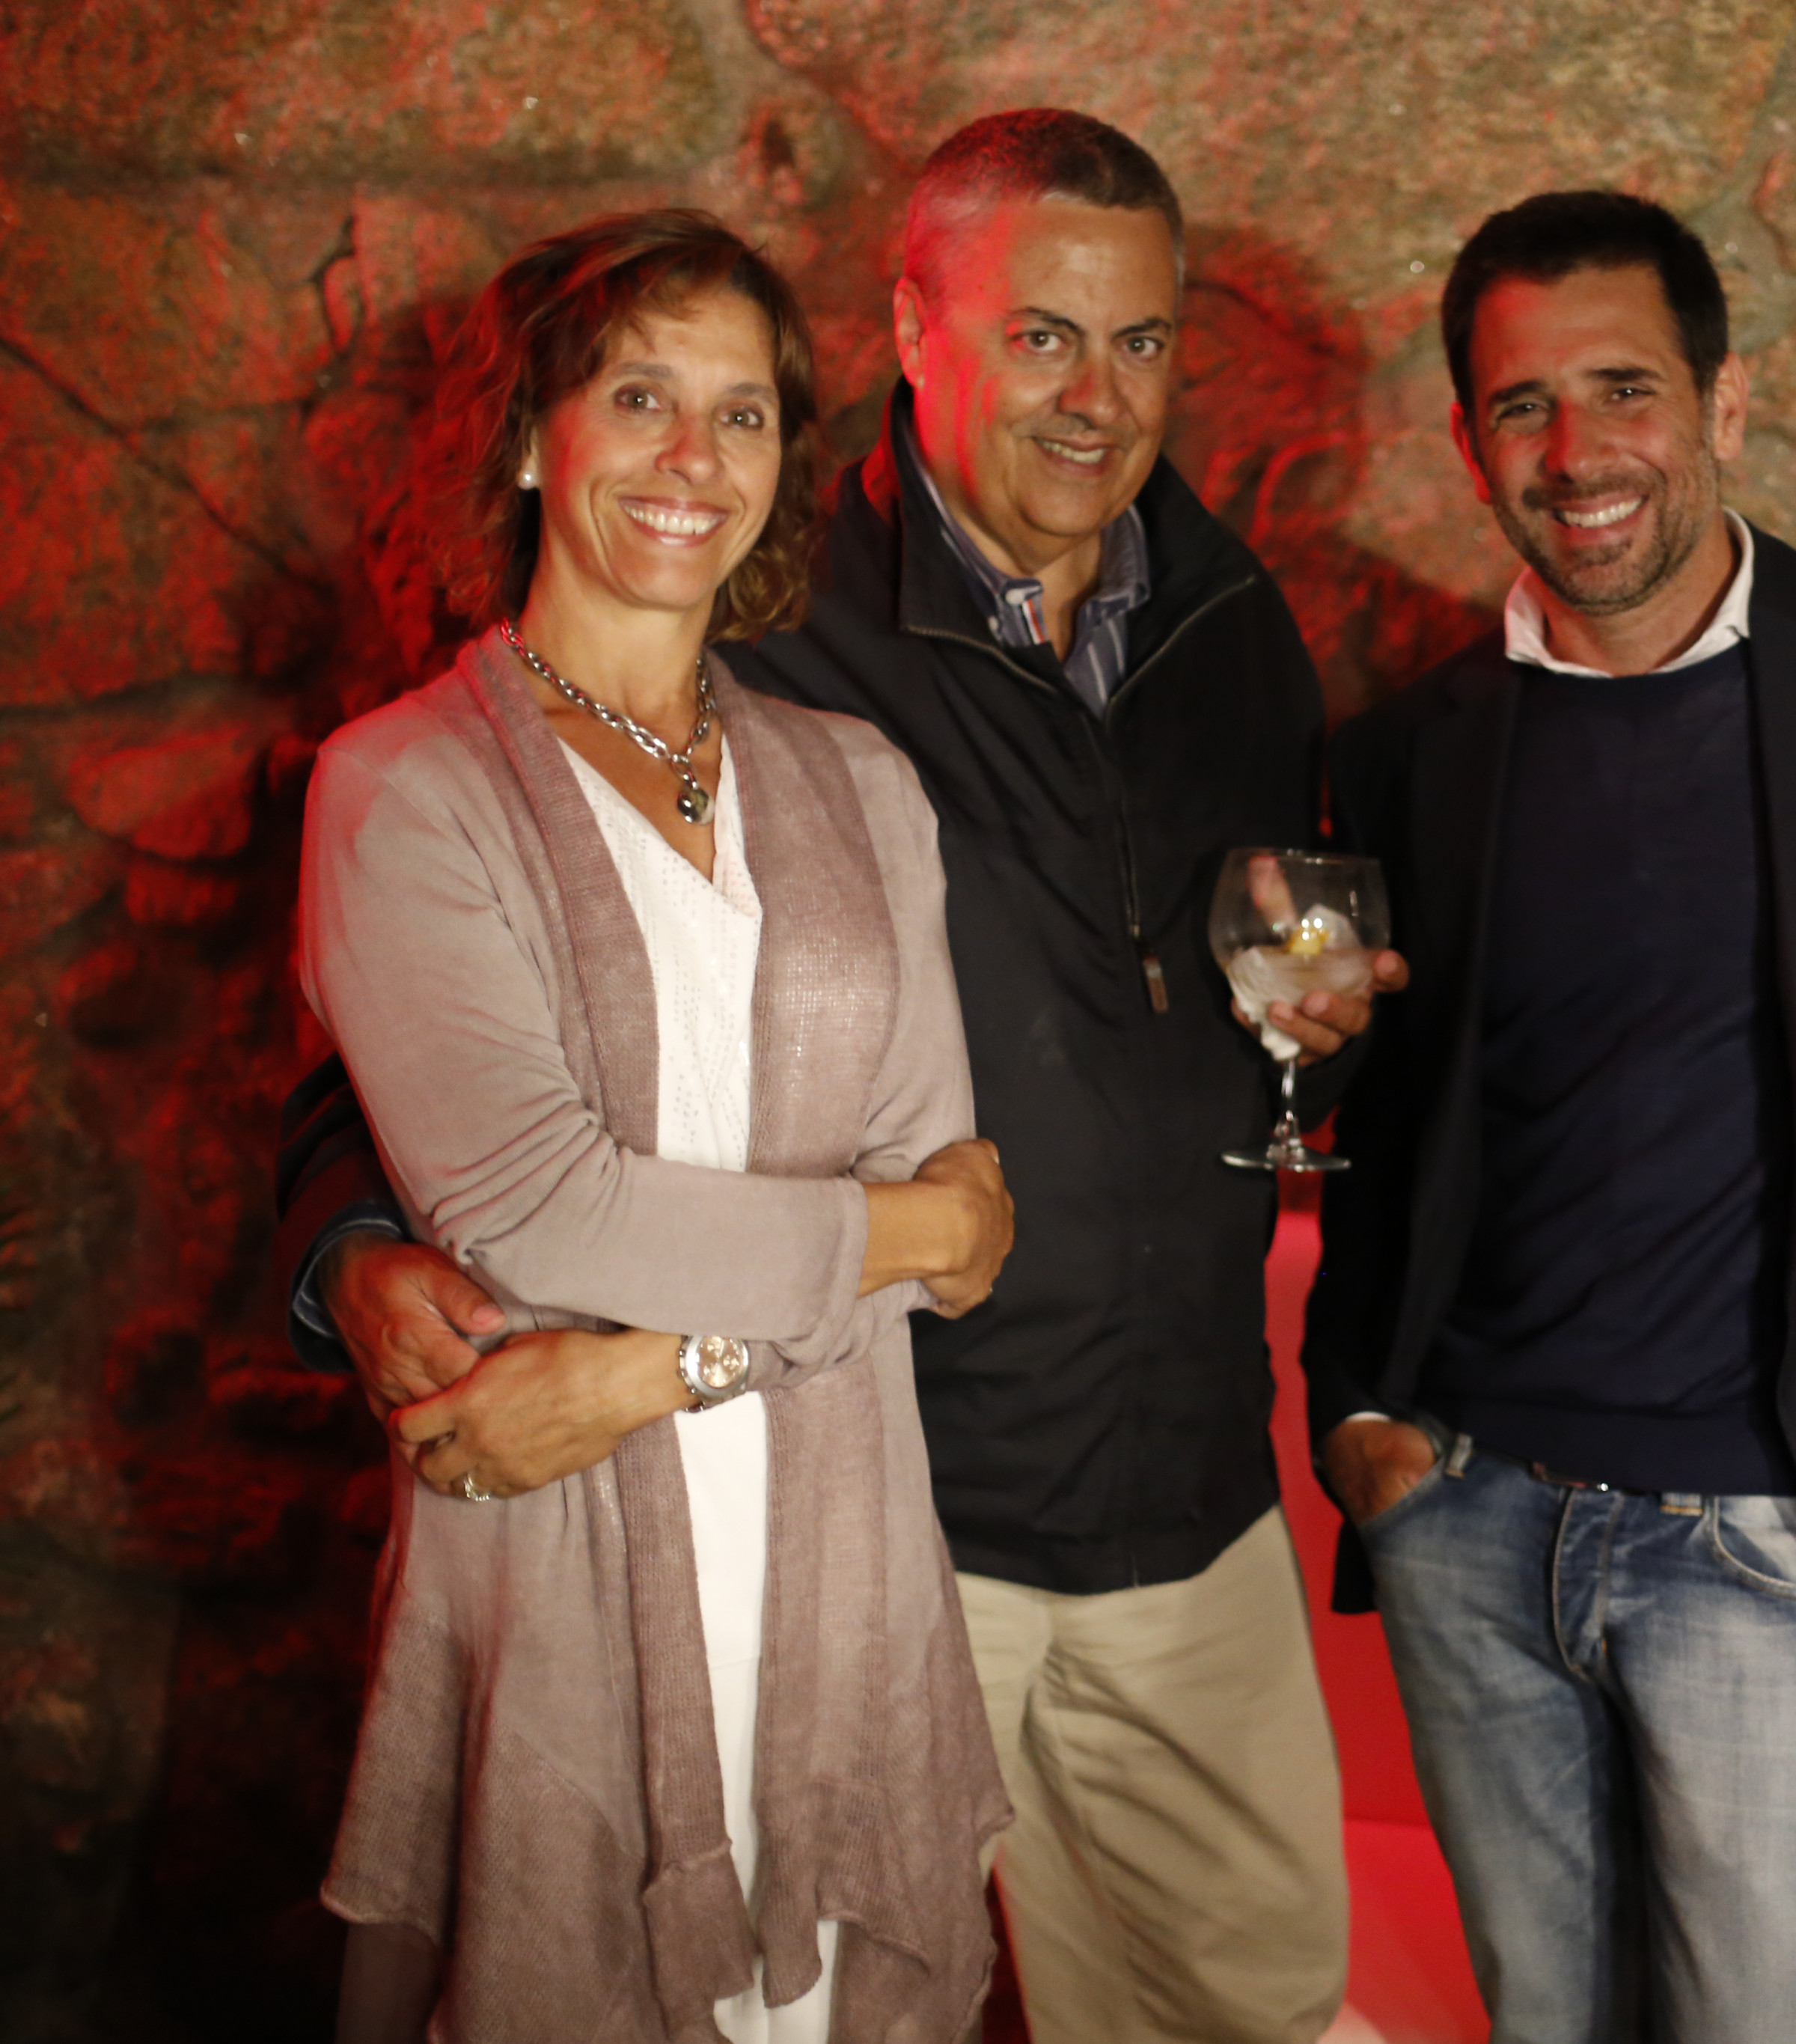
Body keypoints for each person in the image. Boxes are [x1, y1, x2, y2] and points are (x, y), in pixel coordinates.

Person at [276, 112, 1394, 2044]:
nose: (1095, 392)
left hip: (1167, 1479)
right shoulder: (771, 610)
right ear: (909, 329)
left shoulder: (1235, 626)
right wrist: (352, 1244)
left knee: (1236, 2001)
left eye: (1138, 340)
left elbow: (1171, 1005)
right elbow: (445, 1068)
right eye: (1039, 334)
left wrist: (1317, 1023)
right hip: (898, 1478)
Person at [1301, 189, 1796, 2043]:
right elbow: (1380, 1112)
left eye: (1622, 388)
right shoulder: (1403, 752)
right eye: (1521, 405)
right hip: (1466, 1520)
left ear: (1722, 402)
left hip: (1765, 1537)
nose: (1576, 451)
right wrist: (1357, 1405)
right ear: (1467, 439)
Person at [299, 209, 1014, 2043]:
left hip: (845, 1572)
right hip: (558, 1565)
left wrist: (640, 1369)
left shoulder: (861, 783)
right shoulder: (403, 787)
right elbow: (541, 1210)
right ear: (534, 436)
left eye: (743, 412)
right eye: (638, 397)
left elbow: (950, 1201)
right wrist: (902, 1236)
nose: (694, 456)